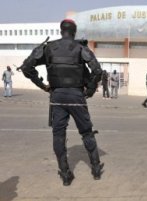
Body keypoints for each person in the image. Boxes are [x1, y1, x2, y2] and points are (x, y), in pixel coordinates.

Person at [19, 19, 104, 186]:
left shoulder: (49, 48)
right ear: (74, 31)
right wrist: (90, 91)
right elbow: (97, 71)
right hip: (77, 96)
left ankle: (65, 174)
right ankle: (95, 169)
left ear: (61, 31)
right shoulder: (81, 48)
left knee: (58, 134)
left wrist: (43, 86)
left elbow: (26, 67)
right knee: (86, 132)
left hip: (57, 96)